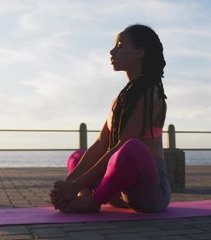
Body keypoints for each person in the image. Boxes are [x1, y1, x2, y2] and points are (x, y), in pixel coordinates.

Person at [50, 24, 170, 213]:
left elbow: (122, 146)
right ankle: (85, 195)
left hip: (148, 194)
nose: (112, 51)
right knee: (78, 156)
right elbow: (100, 143)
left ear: (139, 53)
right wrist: (67, 186)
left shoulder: (150, 94)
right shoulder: (120, 100)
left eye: (120, 46)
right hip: (119, 191)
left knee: (131, 147)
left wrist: (75, 185)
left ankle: (93, 201)